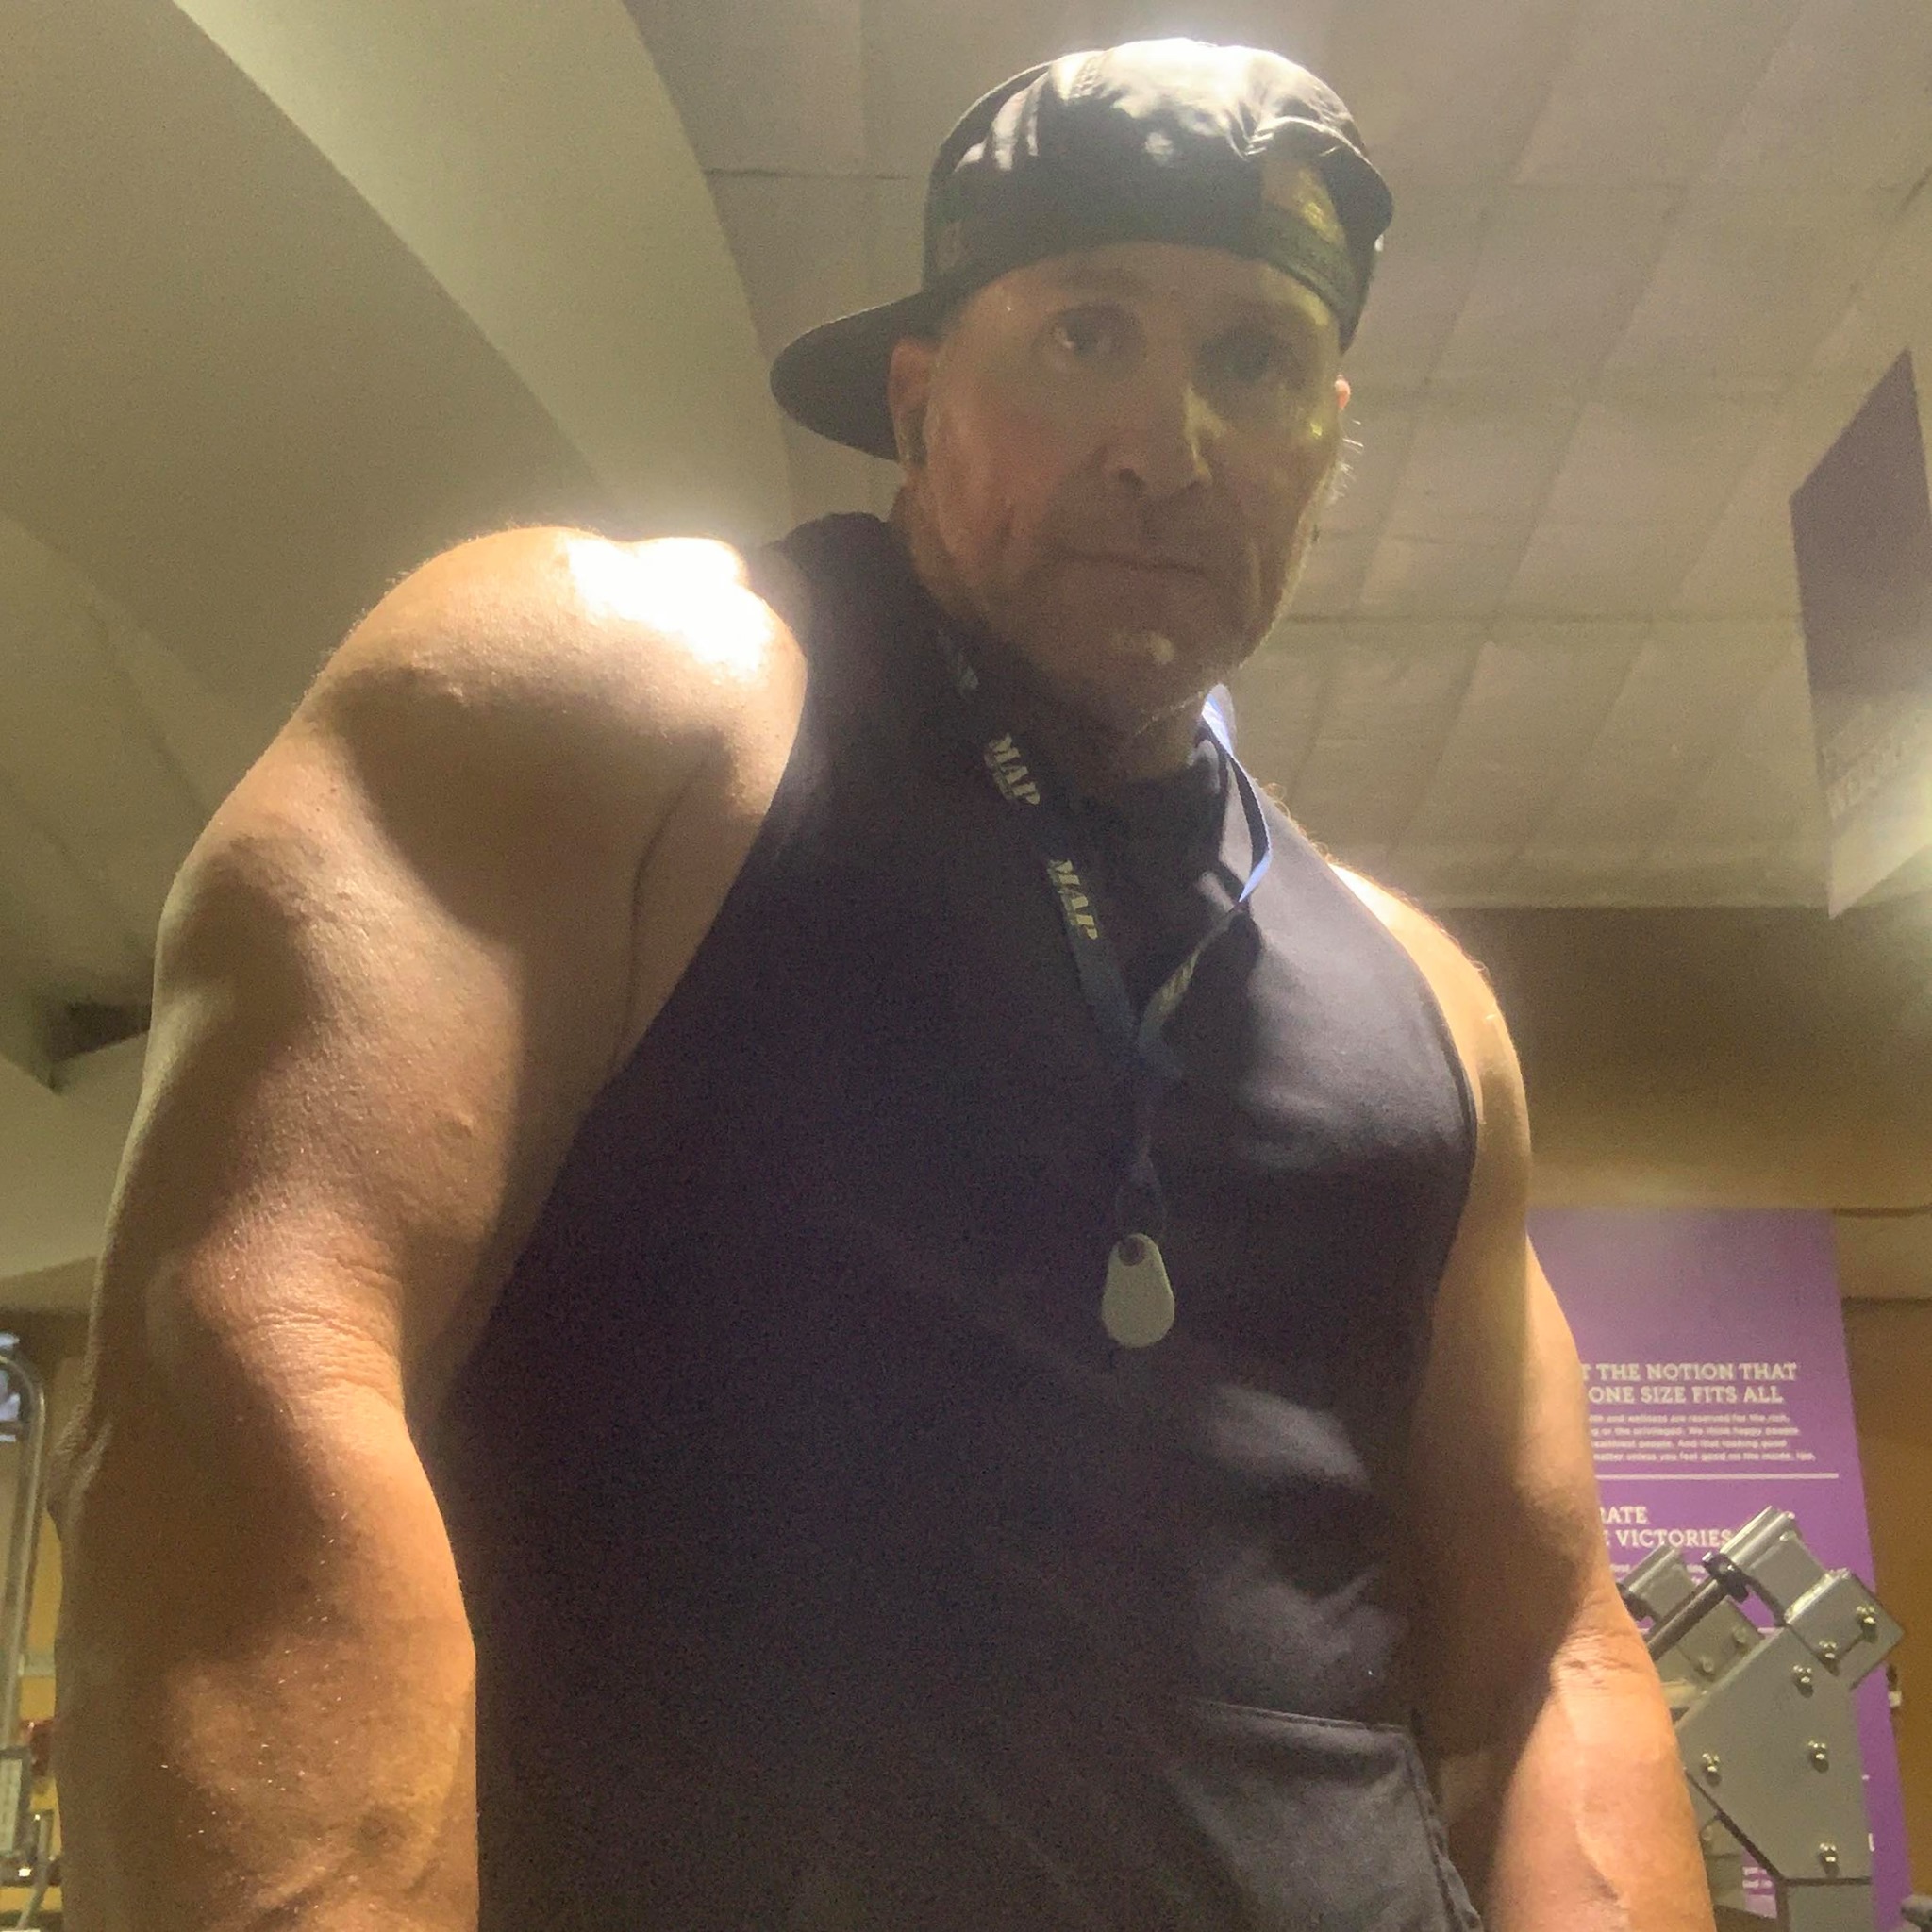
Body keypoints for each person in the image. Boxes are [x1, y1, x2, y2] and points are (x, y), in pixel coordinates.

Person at [51, 40, 1713, 1932]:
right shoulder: (607, 701)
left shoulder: (1425, 1007)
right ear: (919, 403)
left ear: (1327, 440)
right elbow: (242, 1374)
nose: (1168, 444)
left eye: (1253, 361)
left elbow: (1550, 1651)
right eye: (1087, 334)